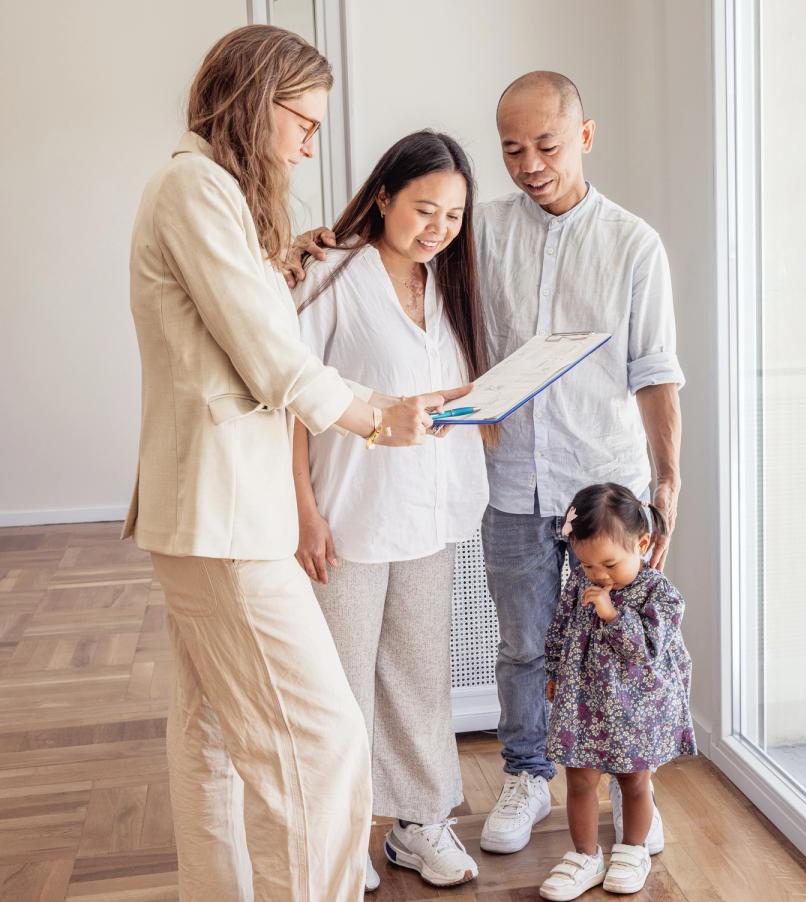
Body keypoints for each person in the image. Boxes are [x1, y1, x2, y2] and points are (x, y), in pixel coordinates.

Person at [124, 25, 465, 902]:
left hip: (217, 514)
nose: (311, 143)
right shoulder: (193, 186)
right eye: (303, 121)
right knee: (323, 745)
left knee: (210, 746)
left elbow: (236, 322)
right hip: (227, 516)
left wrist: (282, 261)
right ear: (252, 101)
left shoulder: (210, 195)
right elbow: (268, 358)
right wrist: (372, 418)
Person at [475, 71, 685, 857]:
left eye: (547, 145)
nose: (530, 163)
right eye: (512, 149)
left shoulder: (633, 242)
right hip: (513, 483)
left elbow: (655, 370)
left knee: (621, 644)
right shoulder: (483, 230)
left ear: (585, 137)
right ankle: (529, 775)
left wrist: (667, 484)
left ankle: (635, 788)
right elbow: (407, 237)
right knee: (525, 645)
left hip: (607, 487)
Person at [291, 130, 488, 890]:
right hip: (348, 516)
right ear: (383, 197)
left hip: (428, 516)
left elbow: (446, 396)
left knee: (419, 677)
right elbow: (287, 400)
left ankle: (419, 824)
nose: (438, 227)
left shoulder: (448, 284)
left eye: (454, 214)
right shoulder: (331, 276)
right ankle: (339, 839)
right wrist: (304, 510)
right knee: (339, 688)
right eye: (424, 208)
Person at [538, 483, 696, 899]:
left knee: (634, 783)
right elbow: (560, 627)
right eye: (587, 565)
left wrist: (611, 613)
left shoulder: (659, 594)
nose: (598, 575)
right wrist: (553, 670)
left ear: (642, 544)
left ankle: (632, 849)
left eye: (608, 563)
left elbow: (645, 651)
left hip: (636, 709)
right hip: (584, 703)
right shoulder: (578, 582)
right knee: (578, 781)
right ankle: (584, 855)